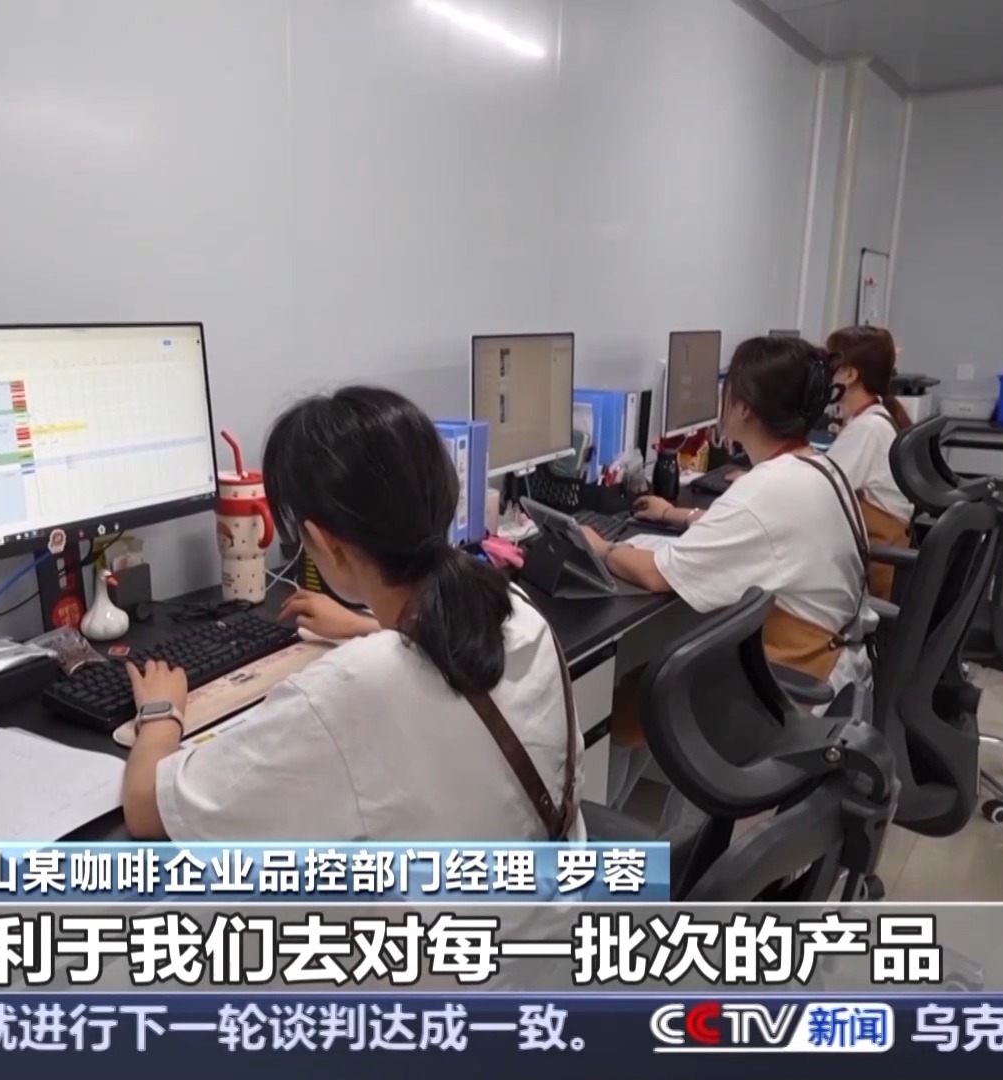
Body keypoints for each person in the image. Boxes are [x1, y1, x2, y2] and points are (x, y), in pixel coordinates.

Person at [121, 386, 583, 842]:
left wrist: (161, 713)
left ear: (327, 545)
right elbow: (437, 653)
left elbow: (145, 809)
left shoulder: (348, 688)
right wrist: (367, 626)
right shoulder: (512, 605)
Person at [580, 334, 872, 700]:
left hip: (800, 678)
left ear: (744, 408)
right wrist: (675, 514)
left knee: (631, 695)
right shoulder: (816, 466)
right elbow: (761, 532)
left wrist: (599, 547)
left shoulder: (766, 490)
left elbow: (656, 574)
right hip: (833, 660)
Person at [822, 325, 913, 600]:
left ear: (849, 375)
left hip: (876, 567)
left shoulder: (868, 429)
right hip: (881, 551)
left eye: (829, 364)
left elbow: (820, 490)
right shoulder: (876, 415)